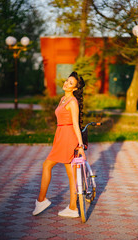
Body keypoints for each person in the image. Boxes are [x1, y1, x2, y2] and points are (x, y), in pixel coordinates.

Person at [32, 71, 86, 218]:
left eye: (70, 83)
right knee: (70, 173)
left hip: (68, 137)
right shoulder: (63, 98)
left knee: (47, 165)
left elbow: (75, 124)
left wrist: (80, 145)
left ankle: (42, 200)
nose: (66, 84)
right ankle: (73, 207)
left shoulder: (73, 102)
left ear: (74, 88)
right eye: (67, 81)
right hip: (61, 136)